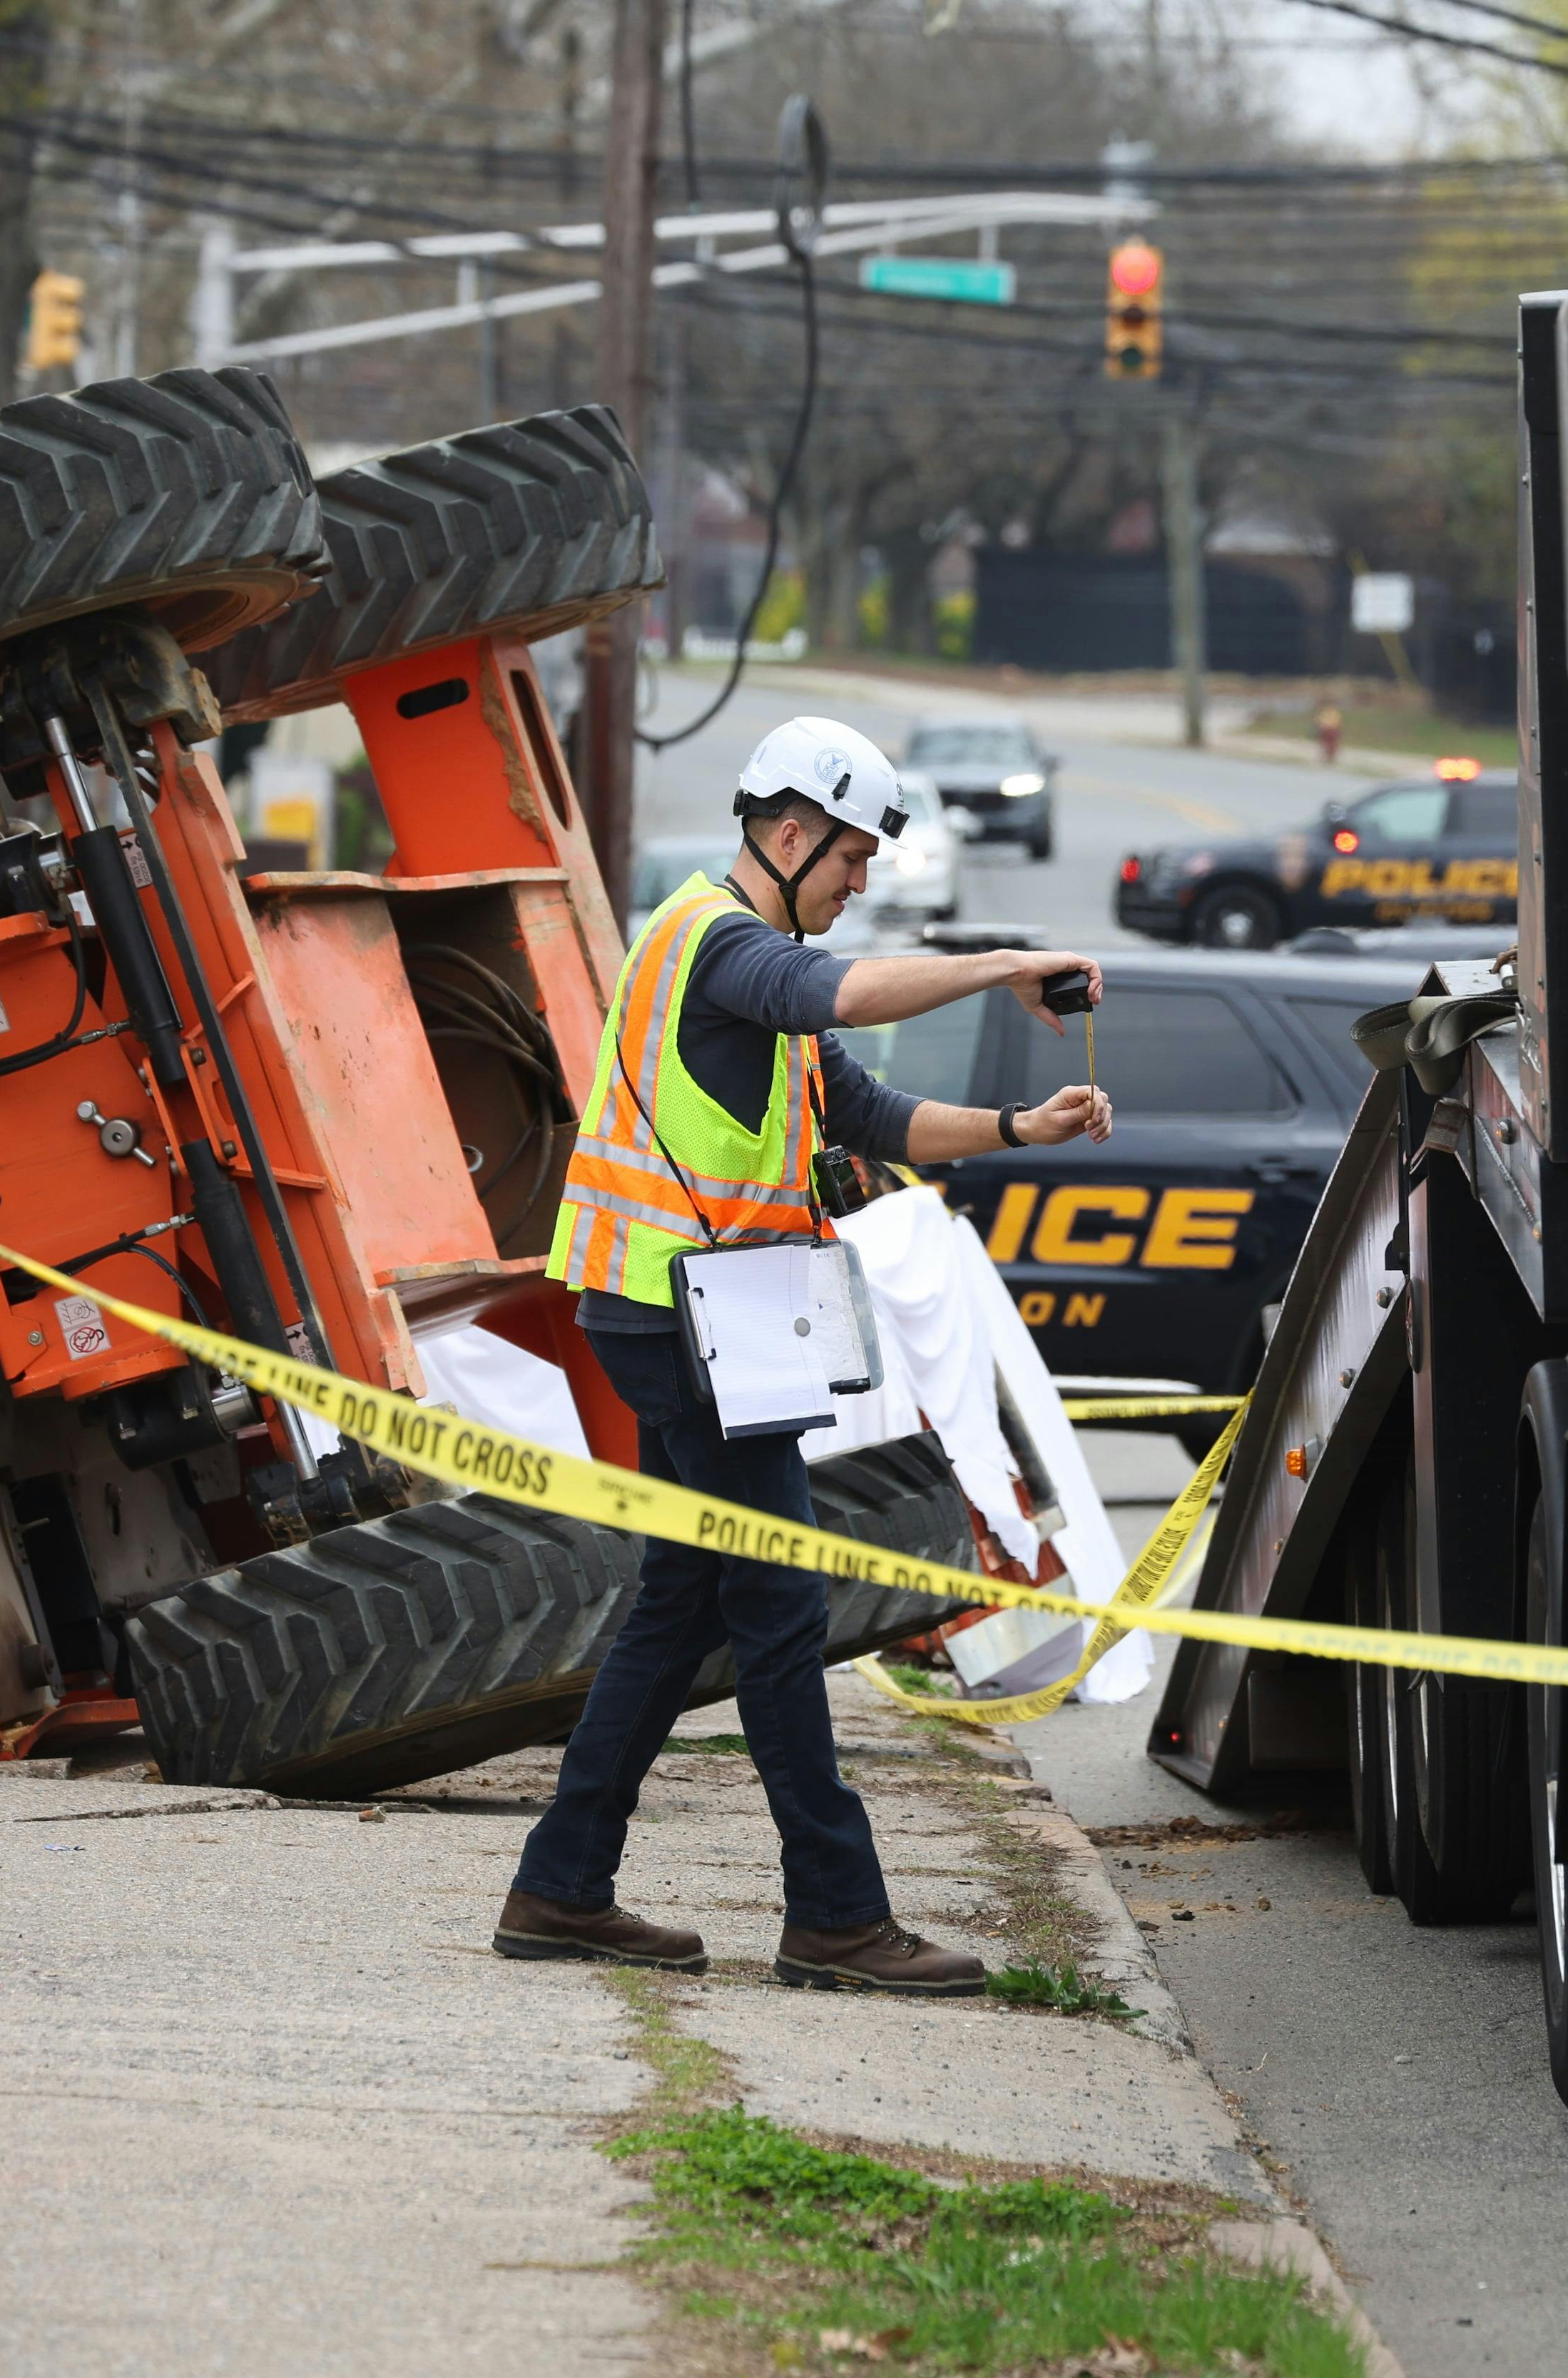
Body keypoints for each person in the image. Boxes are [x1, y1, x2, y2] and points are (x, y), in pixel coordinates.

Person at [495, 716, 1114, 1991]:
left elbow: (872, 1112)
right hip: (685, 1321)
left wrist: (1019, 1125)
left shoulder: (746, 959)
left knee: (684, 1603)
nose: (861, 881)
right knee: (779, 1607)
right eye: (850, 857)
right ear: (790, 833)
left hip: (689, 1318)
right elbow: (831, 992)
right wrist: (1000, 960)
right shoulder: (722, 944)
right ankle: (833, 1913)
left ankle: (560, 1886)